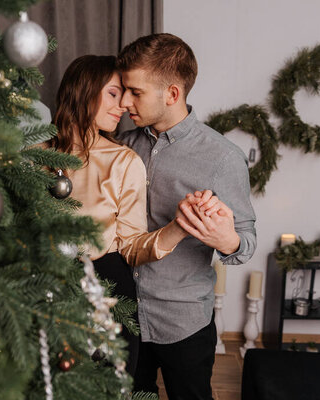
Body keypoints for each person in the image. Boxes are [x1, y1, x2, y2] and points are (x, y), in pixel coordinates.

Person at [46, 54, 221, 377]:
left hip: (105, 290)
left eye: (128, 94)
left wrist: (180, 226)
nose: (125, 104)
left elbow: (131, 246)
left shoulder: (123, 162)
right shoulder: (32, 155)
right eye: (114, 93)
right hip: (41, 286)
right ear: (84, 90)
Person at [115, 34, 257, 399]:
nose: (125, 102)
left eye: (136, 92)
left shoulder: (223, 158)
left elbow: (245, 242)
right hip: (124, 316)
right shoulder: (123, 146)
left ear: (173, 94)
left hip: (184, 323)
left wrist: (225, 237)